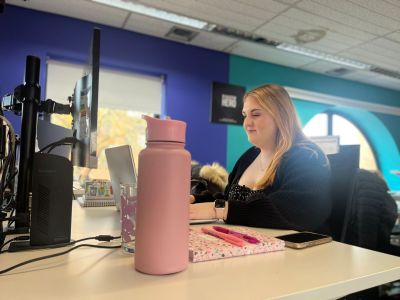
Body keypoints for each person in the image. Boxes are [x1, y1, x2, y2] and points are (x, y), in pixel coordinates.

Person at [189, 84, 332, 233]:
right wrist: (195, 201)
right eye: (245, 115)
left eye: (256, 114)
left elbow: (294, 213)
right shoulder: (249, 156)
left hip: (297, 251)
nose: (246, 123)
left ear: (280, 116)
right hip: (250, 244)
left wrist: (218, 210)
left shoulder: (307, 157)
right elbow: (228, 201)